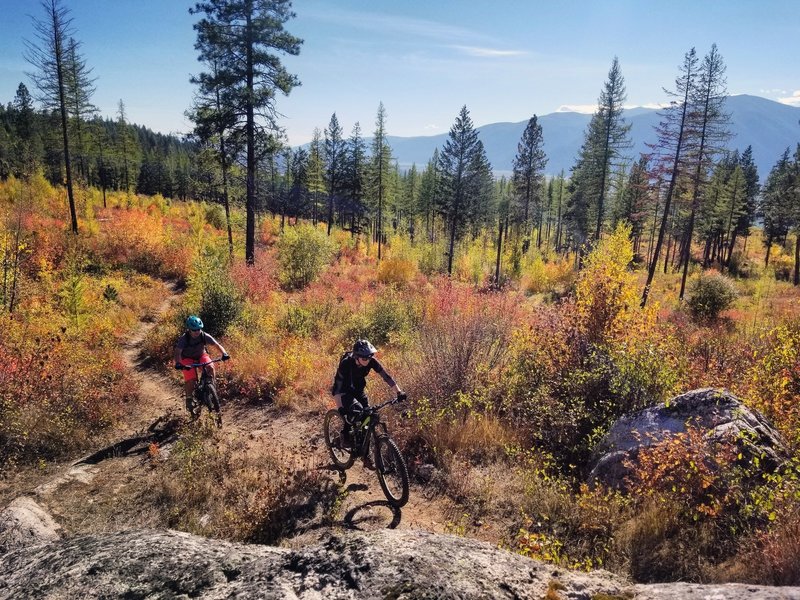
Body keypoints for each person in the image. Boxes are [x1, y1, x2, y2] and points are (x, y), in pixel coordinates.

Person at [331, 339, 405, 445]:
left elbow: (386, 377)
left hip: (358, 390)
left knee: (367, 417)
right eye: (364, 357)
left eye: (370, 356)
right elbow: (337, 386)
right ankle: (345, 434)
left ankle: (363, 449)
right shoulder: (346, 363)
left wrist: (399, 392)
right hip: (344, 392)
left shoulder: (371, 361)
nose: (368, 360)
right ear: (356, 356)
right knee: (356, 411)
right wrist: (340, 408)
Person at [174, 315, 229, 414]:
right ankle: (189, 399)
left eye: (198, 329)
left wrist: (224, 353)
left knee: (210, 367)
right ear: (189, 329)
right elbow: (178, 352)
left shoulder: (204, 335)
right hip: (187, 358)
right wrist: (178, 363)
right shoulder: (184, 338)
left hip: (201, 355)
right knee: (191, 379)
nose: (197, 332)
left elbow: (217, 345)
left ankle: (210, 388)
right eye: (194, 330)